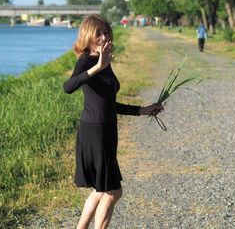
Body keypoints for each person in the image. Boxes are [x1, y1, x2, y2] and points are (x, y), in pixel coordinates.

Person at [63, 14, 163, 229]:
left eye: (106, 32)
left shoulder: (104, 60)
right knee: (113, 192)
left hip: (106, 131)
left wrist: (144, 110)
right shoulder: (87, 61)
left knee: (101, 190)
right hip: (95, 133)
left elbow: (109, 103)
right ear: (88, 36)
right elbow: (68, 87)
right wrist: (96, 67)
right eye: (98, 33)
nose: (103, 36)